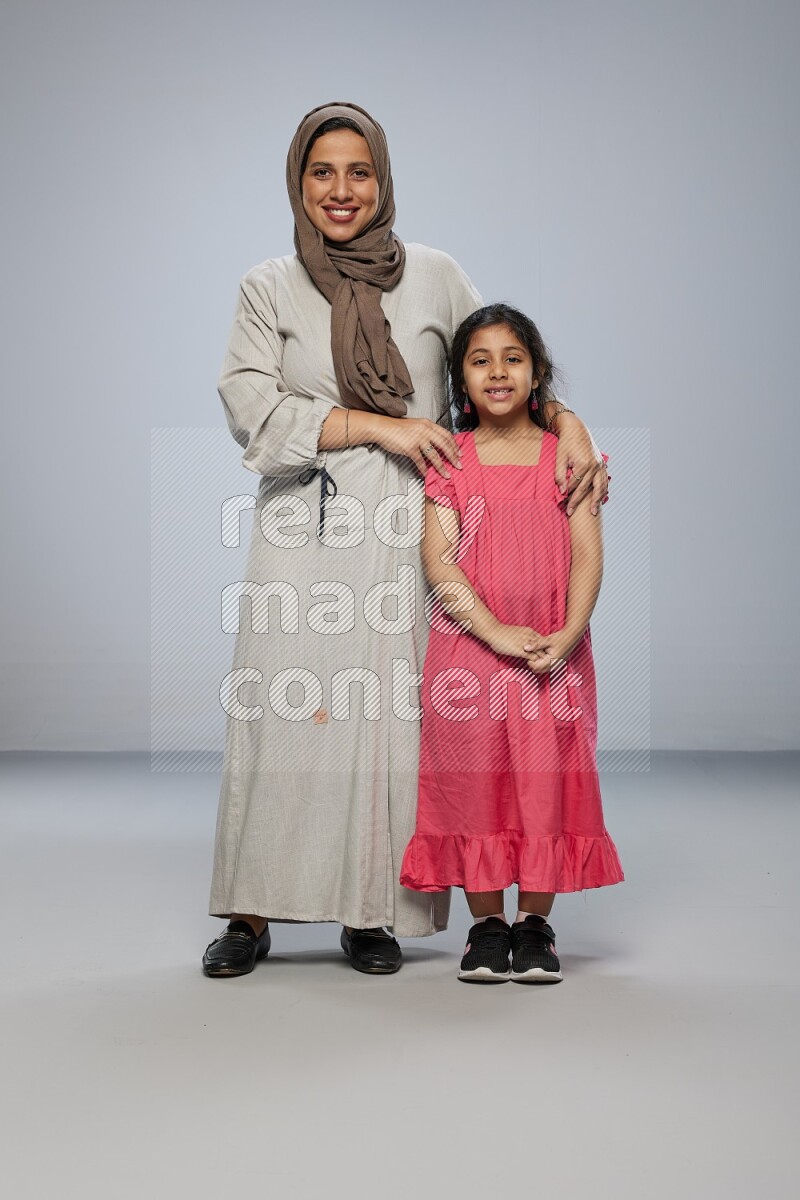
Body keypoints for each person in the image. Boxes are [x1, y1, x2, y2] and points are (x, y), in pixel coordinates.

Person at [202, 103, 609, 979]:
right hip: (305, 523)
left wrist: (570, 424)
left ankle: (370, 912)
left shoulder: (431, 273)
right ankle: (249, 913)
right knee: (283, 713)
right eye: (323, 173)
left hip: (414, 529)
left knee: (387, 724)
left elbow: (496, 366)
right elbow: (251, 408)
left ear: (382, 181)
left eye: (360, 172)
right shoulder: (266, 285)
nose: (341, 190)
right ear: (298, 184)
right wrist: (375, 426)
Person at [399, 303, 624, 983]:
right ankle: (487, 925)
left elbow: (589, 555)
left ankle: (535, 924)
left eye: (513, 358)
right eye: (479, 360)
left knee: (545, 783)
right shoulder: (452, 461)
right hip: (470, 652)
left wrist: (569, 632)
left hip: (551, 654)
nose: (498, 371)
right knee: (474, 785)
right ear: (461, 381)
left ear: (537, 373)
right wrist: (494, 629)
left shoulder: (568, 460)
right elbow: (440, 563)